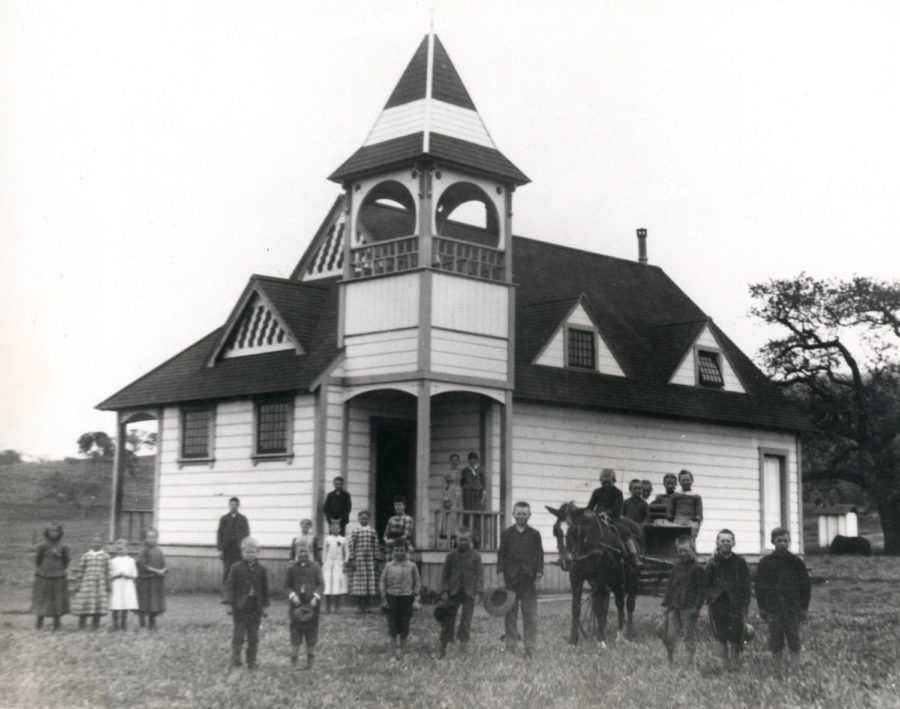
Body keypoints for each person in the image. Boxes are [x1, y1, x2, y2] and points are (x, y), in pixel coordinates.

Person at [755, 527, 811, 680]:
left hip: (792, 609)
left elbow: (805, 586)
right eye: (779, 540)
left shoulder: (796, 562)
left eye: (785, 540)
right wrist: (762, 608)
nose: (782, 543)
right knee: (776, 642)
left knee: (794, 641)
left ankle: (795, 672)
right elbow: (759, 587)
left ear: (790, 542)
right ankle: (777, 672)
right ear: (772, 542)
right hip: (774, 609)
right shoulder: (766, 563)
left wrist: (804, 608)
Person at [497, 501, 543, 658]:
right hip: (511, 580)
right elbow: (501, 555)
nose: (521, 516)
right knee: (510, 613)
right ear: (513, 514)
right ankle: (510, 647)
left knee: (530, 615)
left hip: (529, 581)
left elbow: (540, 557)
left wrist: (538, 576)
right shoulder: (507, 534)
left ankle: (530, 648)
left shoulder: (535, 535)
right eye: (518, 513)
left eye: (524, 514)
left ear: (529, 515)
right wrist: (500, 576)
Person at [705, 529, 751, 672]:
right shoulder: (712, 562)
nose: (725, 543)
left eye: (728, 540)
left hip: (735, 602)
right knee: (721, 634)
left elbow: (746, 584)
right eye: (722, 541)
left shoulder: (740, 562)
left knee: (736, 634)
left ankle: (735, 663)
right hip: (718, 602)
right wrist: (710, 597)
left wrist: (745, 603)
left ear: (734, 543)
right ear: (717, 543)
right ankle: (725, 664)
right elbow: (706, 583)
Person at [223, 536, 269, 669]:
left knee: (253, 636)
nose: (250, 554)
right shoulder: (236, 568)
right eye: (247, 552)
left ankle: (252, 661)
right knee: (238, 635)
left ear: (257, 552)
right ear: (242, 552)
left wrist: (265, 606)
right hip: (240, 607)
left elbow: (265, 590)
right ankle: (236, 660)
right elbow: (229, 586)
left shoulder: (261, 570)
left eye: (253, 552)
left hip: (255, 606)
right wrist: (228, 603)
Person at [437, 528, 484, 658]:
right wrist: (445, 590)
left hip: (469, 592)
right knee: (448, 619)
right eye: (460, 539)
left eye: (466, 540)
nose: (463, 542)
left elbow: (480, 575)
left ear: (470, 541)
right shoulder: (451, 556)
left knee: (466, 620)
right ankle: (442, 648)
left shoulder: (476, 556)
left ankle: (463, 648)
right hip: (453, 592)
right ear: (456, 540)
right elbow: (445, 574)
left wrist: (479, 592)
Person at [661, 535, 705, 667]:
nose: (683, 553)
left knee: (688, 635)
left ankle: (688, 664)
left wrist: (696, 608)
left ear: (693, 550)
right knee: (669, 635)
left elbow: (701, 592)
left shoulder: (697, 569)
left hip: (688, 607)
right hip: (673, 607)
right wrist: (666, 603)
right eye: (680, 551)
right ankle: (670, 660)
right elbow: (670, 586)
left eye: (686, 550)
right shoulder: (675, 568)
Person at [379, 541, 421, 662]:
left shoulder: (412, 566)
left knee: (404, 627)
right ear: (393, 552)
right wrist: (384, 597)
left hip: (406, 599)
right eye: (396, 550)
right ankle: (393, 654)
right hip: (392, 599)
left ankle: (403, 654)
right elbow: (382, 581)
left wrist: (416, 597)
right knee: (392, 627)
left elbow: (417, 582)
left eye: (402, 550)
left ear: (406, 551)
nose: (399, 552)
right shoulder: (389, 566)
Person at [286, 545, 324, 669]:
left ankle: (310, 661)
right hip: (296, 604)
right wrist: (292, 596)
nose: (303, 556)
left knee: (311, 632)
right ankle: (294, 660)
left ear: (310, 553)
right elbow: (286, 586)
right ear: (297, 554)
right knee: (296, 632)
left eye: (306, 553)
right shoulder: (292, 568)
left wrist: (316, 597)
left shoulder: (315, 567)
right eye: (300, 553)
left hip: (311, 604)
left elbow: (321, 584)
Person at [33, 522, 70, 631]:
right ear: (47, 532)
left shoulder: (63, 546)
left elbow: (66, 561)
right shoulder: (42, 546)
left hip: (58, 576)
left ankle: (57, 622)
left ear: (60, 532)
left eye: (56, 531)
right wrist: (43, 569)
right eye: (51, 531)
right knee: (42, 598)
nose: (53, 533)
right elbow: (38, 560)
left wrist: (59, 569)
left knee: (57, 599)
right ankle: (39, 621)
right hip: (44, 576)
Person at [71, 534, 110, 630]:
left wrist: (108, 582)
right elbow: (81, 569)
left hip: (99, 584)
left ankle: (95, 625)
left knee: (97, 603)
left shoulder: (105, 556)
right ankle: (82, 624)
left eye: (98, 542)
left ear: (102, 544)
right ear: (91, 543)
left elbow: (108, 570)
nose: (96, 544)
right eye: (94, 542)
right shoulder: (86, 555)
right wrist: (79, 581)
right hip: (87, 583)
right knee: (85, 602)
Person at [348, 510, 379, 613]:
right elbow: (351, 545)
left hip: (369, 559)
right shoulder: (355, 530)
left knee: (368, 582)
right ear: (358, 519)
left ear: (369, 519)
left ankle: (367, 606)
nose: (364, 520)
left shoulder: (372, 531)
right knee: (359, 583)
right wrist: (352, 558)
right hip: (359, 559)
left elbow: (376, 545)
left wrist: (375, 558)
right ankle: (359, 606)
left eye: (366, 518)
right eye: (362, 518)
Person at [136, 528, 166, 630]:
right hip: (145, 580)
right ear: (145, 538)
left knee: (154, 602)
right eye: (150, 537)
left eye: (154, 537)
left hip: (156, 581)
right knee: (144, 602)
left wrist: (164, 569)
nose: (152, 539)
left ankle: (152, 622)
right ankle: (142, 623)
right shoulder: (144, 550)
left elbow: (163, 563)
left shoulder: (159, 551)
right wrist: (156, 571)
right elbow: (142, 565)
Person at [217, 497, 250, 582]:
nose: (233, 506)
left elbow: (247, 534)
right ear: (229, 505)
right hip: (227, 549)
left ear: (238, 505)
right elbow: (220, 533)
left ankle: (238, 592)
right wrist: (220, 549)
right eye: (232, 504)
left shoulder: (243, 519)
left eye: (235, 504)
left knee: (239, 570)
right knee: (227, 570)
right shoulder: (224, 518)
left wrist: (245, 549)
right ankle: (227, 592)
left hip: (238, 550)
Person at [109, 538, 138, 631]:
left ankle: (123, 624)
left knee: (125, 604)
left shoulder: (131, 561)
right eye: (118, 549)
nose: (121, 551)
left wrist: (128, 575)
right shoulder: (113, 561)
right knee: (116, 603)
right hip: (117, 584)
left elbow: (135, 574)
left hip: (127, 584)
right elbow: (110, 574)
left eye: (122, 549)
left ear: (127, 549)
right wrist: (116, 575)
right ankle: (115, 624)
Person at [322, 520, 348, 614]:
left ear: (340, 529)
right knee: (328, 585)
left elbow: (347, 552)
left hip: (339, 563)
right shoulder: (327, 539)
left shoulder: (343, 539)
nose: (335, 530)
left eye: (337, 528)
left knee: (338, 585)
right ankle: (328, 607)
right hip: (329, 563)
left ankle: (337, 607)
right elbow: (324, 551)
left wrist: (345, 563)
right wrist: (324, 562)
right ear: (330, 529)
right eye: (333, 528)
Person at [668, 469, 703, 537]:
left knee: (692, 529)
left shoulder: (696, 496)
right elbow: (669, 512)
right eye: (683, 480)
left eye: (687, 480)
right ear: (679, 482)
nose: (685, 482)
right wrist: (671, 517)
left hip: (690, 522)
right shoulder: (675, 496)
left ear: (692, 481)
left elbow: (699, 514)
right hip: (677, 521)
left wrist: (696, 519)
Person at [439, 454, 462, 540]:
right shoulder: (447, 473)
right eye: (453, 460)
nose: (454, 462)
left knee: (459, 513)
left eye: (456, 460)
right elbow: (444, 486)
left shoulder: (461, 472)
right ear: (450, 461)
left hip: (460, 494)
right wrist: (446, 497)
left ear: (459, 462)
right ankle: (450, 534)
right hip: (451, 493)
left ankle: (458, 535)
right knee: (451, 513)